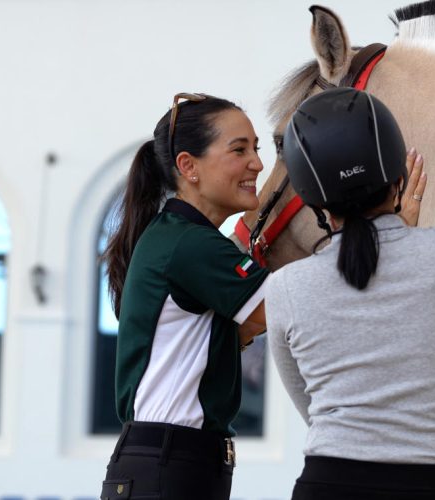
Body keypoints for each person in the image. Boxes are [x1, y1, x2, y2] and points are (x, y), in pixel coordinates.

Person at [266, 87, 435, 500]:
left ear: (313, 202)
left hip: (328, 486)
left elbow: (312, 405)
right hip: (432, 487)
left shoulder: (286, 287)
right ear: (399, 178)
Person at [99, 93, 270, 500]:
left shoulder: (177, 236)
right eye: (239, 149)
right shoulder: (190, 244)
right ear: (188, 166)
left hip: (168, 464)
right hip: (169, 467)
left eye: (256, 149)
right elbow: (281, 312)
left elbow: (247, 324)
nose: (258, 164)